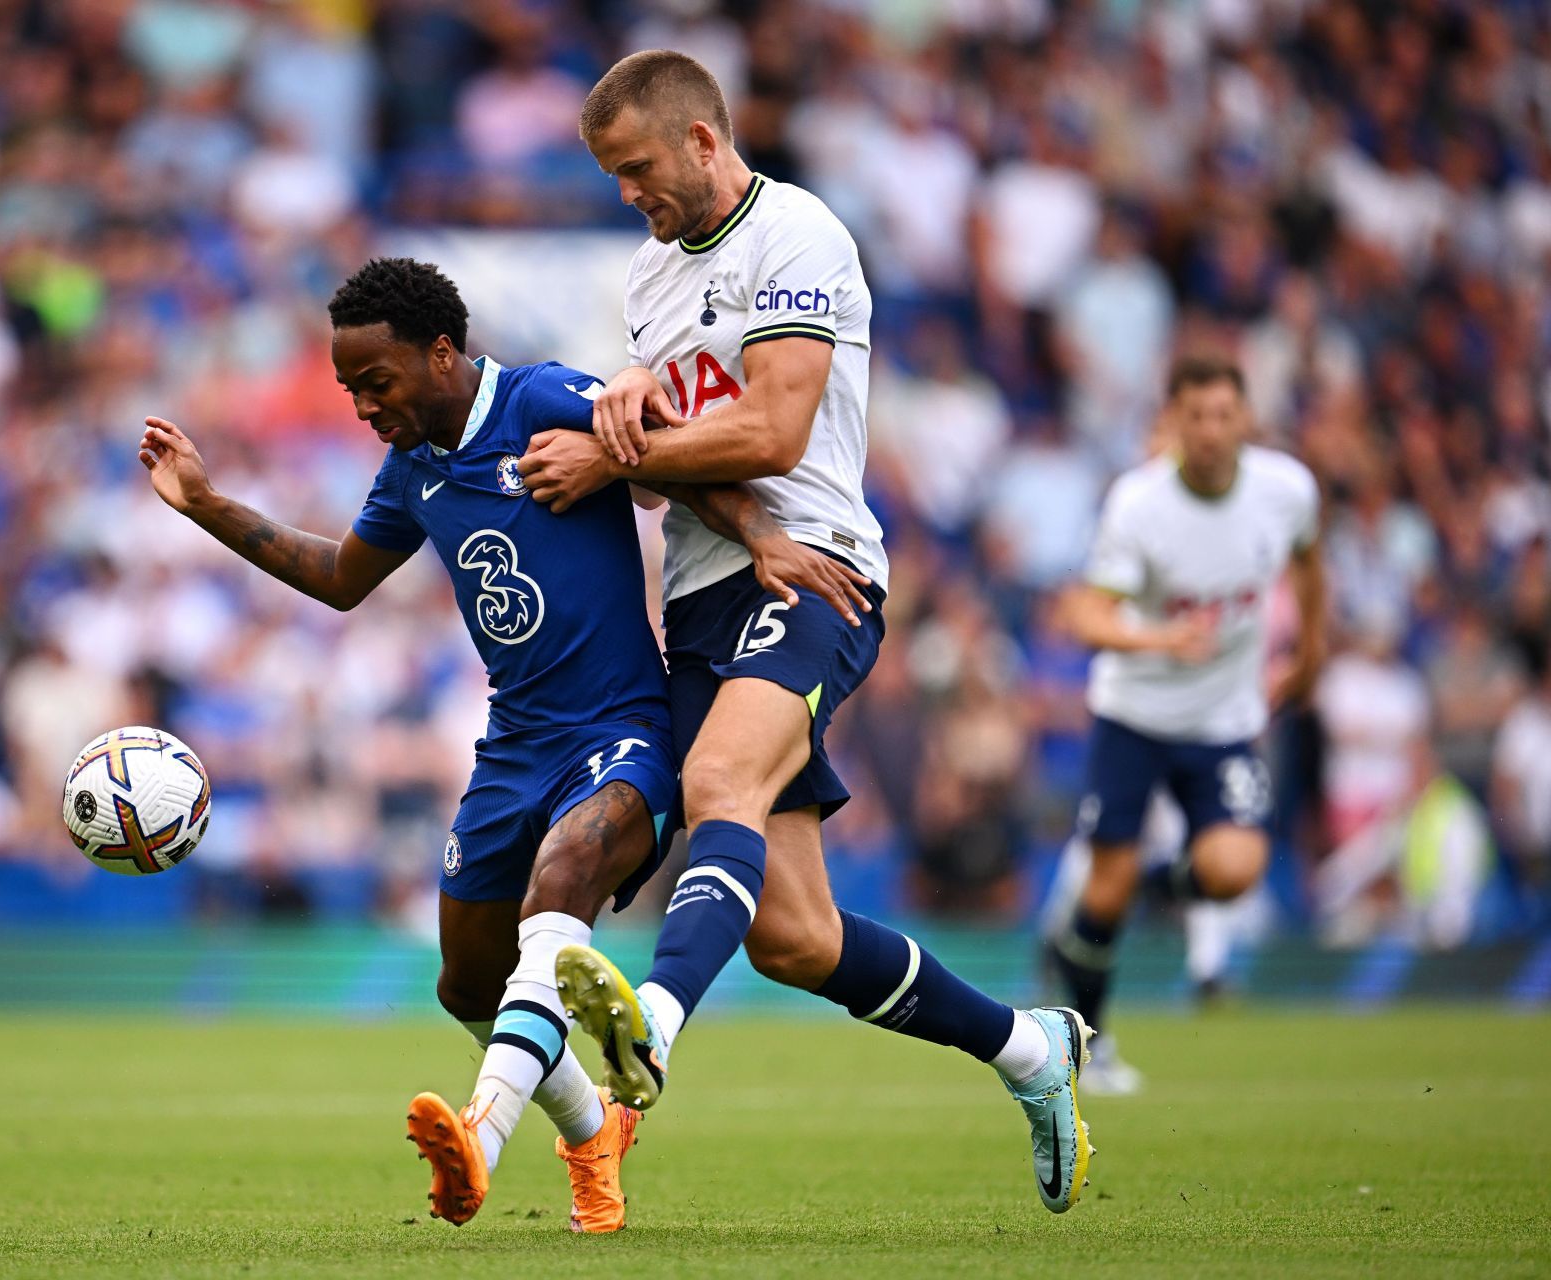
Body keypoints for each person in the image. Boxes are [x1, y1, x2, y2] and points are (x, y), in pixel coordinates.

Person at [138, 256, 867, 1232]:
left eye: (377, 382)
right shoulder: (412, 472)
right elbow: (342, 575)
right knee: (465, 980)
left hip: (622, 732)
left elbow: (671, 454)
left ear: (442, 354)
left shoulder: (546, 398)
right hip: (512, 746)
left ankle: (480, 1134)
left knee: (562, 877)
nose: (362, 404)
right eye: (350, 388)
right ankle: (586, 1140)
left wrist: (761, 533)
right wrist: (206, 502)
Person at [515, 51, 1095, 1214]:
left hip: (813, 570)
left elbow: (777, 431)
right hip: (700, 596)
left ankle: (654, 1038)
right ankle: (1034, 1050)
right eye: (611, 178)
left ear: (699, 139)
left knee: (721, 777)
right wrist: (623, 415)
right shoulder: (646, 278)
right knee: (793, 935)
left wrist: (614, 444)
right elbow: (658, 473)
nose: (630, 194)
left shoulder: (802, 236)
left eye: (637, 170)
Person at [1051, 354, 1326, 1091]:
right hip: (1134, 712)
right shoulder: (1138, 504)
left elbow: (1309, 564)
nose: (1210, 432)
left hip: (1224, 718)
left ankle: (1129, 892)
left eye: (1223, 415)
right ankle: (1091, 1044)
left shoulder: (1285, 490)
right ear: (1174, 422)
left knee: (1235, 868)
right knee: (1102, 894)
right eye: (1195, 417)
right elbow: (1083, 614)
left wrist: (1310, 655)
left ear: (1245, 419)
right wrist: (1158, 640)